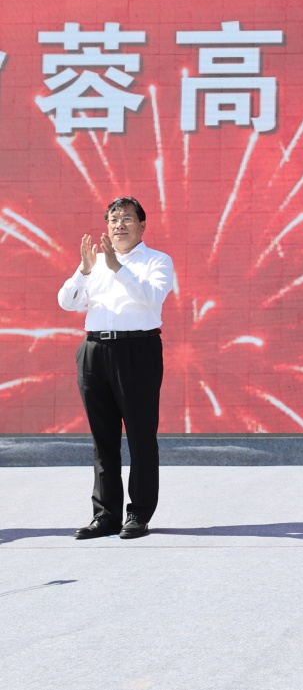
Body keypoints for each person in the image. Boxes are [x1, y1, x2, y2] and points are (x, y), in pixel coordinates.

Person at [57, 197, 174, 540]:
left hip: (137, 349)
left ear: (142, 225)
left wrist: (117, 267)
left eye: (126, 218)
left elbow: (152, 298)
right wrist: (85, 269)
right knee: (102, 438)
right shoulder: (94, 264)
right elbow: (67, 302)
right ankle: (105, 515)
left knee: (140, 436)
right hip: (94, 350)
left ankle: (138, 514)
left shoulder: (157, 260)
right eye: (113, 219)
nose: (118, 225)